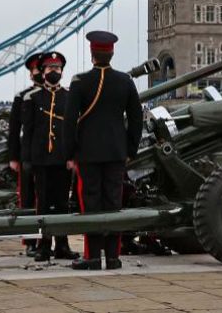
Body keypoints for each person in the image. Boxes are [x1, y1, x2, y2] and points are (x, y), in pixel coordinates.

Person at [65, 31, 142, 271]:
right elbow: (136, 118)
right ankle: (113, 257)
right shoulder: (125, 81)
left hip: (87, 153)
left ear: (91, 53)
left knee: (91, 204)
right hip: (116, 152)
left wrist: (70, 153)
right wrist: (130, 149)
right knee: (113, 203)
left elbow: (69, 121)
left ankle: (92, 257)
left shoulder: (79, 82)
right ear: (112, 52)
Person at [25, 51, 78, 262]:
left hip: (62, 159)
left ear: (62, 72)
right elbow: (27, 131)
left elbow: (73, 129)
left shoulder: (68, 97)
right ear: (43, 72)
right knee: (43, 204)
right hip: (41, 159)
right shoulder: (33, 98)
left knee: (62, 203)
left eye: (56, 68)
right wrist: (27, 159)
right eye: (49, 68)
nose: (53, 71)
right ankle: (43, 245)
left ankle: (62, 245)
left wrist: (72, 156)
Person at [9, 53, 44, 256]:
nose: (38, 73)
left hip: (51, 156)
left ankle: (55, 240)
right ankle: (30, 240)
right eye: (36, 70)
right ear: (31, 74)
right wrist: (14, 157)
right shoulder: (22, 97)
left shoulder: (60, 95)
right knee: (28, 198)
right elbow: (14, 130)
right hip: (28, 155)